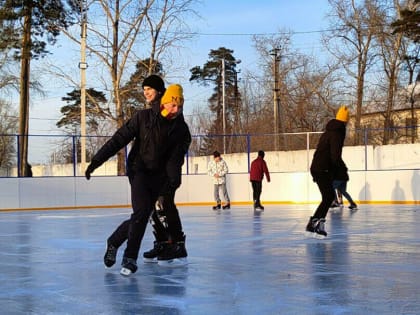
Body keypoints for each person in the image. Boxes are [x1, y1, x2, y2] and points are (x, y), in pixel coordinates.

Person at [85, 81, 191, 275]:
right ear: (164, 102)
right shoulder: (143, 118)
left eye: (179, 106)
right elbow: (118, 139)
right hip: (139, 170)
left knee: (140, 216)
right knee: (142, 212)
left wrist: (174, 179)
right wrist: (96, 161)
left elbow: (175, 159)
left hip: (159, 177)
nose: (175, 109)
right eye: (172, 104)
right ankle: (130, 258)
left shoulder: (180, 129)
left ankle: (114, 241)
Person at [306, 105, 349, 237]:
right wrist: (341, 170)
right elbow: (335, 155)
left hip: (318, 167)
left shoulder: (329, 131)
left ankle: (314, 222)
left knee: (328, 197)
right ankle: (318, 223)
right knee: (329, 197)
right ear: (345, 121)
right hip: (323, 168)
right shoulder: (337, 133)